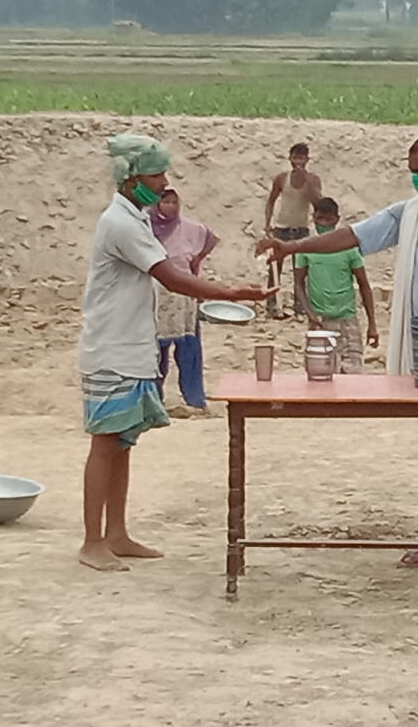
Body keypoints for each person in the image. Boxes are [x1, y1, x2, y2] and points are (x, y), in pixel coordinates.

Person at [257, 133, 418, 571]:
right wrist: (292, 246)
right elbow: (352, 237)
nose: (416, 180)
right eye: (412, 172)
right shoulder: (410, 213)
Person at [77, 132, 270, 572]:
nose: (162, 182)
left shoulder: (135, 216)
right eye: (155, 174)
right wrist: (230, 292)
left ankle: (116, 534)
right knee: (105, 444)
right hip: (111, 347)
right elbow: (172, 277)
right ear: (130, 177)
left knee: (121, 443)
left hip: (126, 345)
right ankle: (92, 541)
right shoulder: (122, 223)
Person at [150, 187, 219, 410]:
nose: (171, 206)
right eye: (166, 202)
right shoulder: (146, 227)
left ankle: (194, 398)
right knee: (156, 349)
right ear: (157, 204)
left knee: (189, 346)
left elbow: (205, 244)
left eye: (174, 202)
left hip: (185, 295)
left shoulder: (188, 227)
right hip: (158, 295)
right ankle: (154, 398)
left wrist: (197, 268)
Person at [295, 197, 379, 373]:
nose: (323, 223)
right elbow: (298, 283)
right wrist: (309, 313)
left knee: (352, 373)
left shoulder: (348, 248)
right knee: (320, 373)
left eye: (327, 219)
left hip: (347, 321)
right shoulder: (306, 248)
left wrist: (372, 325)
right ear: (313, 219)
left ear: (337, 219)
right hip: (319, 322)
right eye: (319, 219)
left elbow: (364, 285)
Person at [263, 142, 322, 319]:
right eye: (295, 157)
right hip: (282, 228)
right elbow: (271, 200)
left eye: (301, 158)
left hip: (302, 229)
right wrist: (268, 223)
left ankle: (300, 308)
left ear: (307, 160)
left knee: (301, 271)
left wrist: (307, 181)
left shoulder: (313, 179)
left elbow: (318, 203)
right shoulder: (282, 178)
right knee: (275, 269)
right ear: (289, 158)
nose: (298, 162)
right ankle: (273, 306)